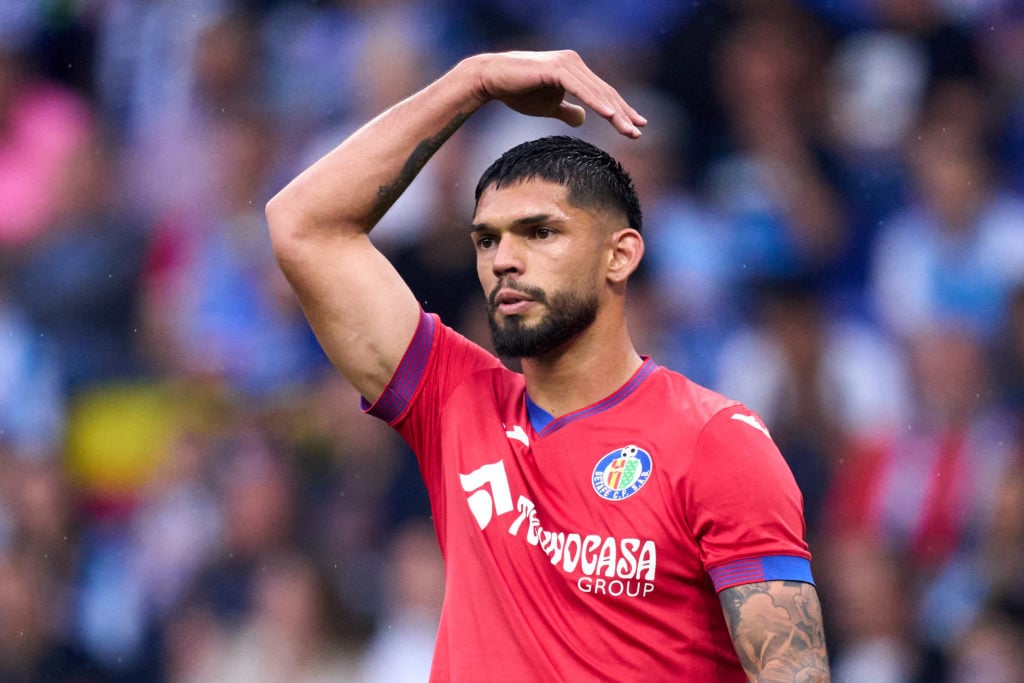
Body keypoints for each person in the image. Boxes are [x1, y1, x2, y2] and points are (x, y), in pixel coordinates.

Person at [266, 50, 829, 682]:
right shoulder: (455, 403)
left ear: (620, 256)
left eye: (539, 232)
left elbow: (793, 672)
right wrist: (469, 83)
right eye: (487, 239)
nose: (504, 259)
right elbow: (301, 225)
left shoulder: (715, 441)